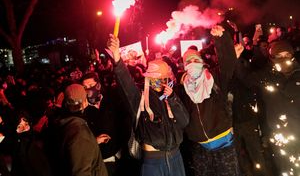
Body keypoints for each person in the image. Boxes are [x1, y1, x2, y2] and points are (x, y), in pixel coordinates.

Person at [107, 34, 189, 176]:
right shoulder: (140, 97)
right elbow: (126, 84)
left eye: (163, 78)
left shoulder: (171, 95)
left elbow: (184, 121)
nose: (160, 81)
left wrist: (172, 99)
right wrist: (117, 58)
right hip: (153, 161)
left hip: (176, 156)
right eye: (155, 78)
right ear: (148, 78)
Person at [177, 25, 240, 176]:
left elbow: (228, 62)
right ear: (184, 66)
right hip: (200, 148)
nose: (192, 62)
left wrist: (221, 38)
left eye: (195, 59)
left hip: (224, 143)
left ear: (201, 61)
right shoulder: (182, 88)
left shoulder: (215, 77)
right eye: (188, 61)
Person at [235, 40, 300, 175]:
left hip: (298, 131)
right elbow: (246, 78)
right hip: (278, 135)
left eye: (286, 55)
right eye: (278, 55)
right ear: (272, 57)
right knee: (285, 168)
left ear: (292, 55)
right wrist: (235, 58)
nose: (283, 59)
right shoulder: (266, 76)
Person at [47, 83, 108, 176]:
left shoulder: (66, 123)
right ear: (84, 101)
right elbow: (81, 171)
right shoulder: (79, 131)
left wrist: (93, 142)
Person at [81, 72, 129, 176]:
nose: (88, 89)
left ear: (98, 85)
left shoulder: (110, 99)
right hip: (103, 159)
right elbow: (81, 137)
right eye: (85, 87)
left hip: (120, 153)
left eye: (90, 85)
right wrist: (95, 141)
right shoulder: (83, 110)